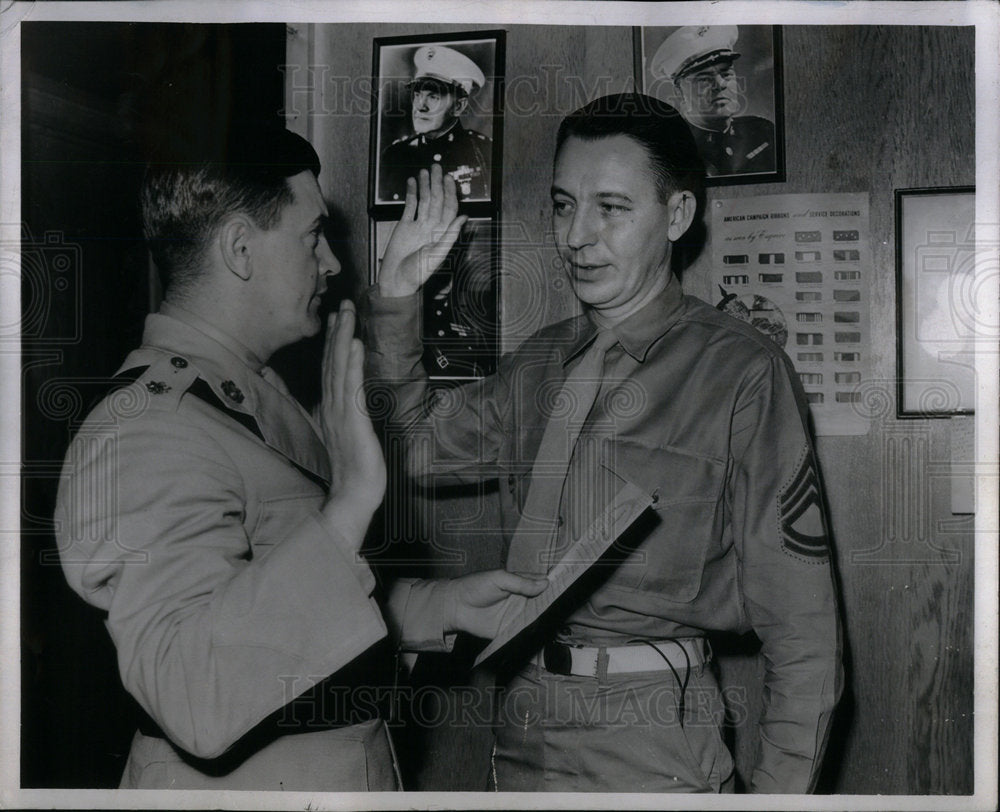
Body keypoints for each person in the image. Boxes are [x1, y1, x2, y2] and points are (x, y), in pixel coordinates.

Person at [366, 93, 842, 793]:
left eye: (611, 209)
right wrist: (398, 298)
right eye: (563, 205)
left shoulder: (741, 372)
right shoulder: (537, 363)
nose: (577, 237)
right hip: (522, 725)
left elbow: (806, 642)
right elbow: (416, 451)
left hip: (655, 742)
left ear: (677, 216)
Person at [54, 124, 543, 791]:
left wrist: (440, 606)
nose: (332, 263)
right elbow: (193, 690)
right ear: (239, 248)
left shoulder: (245, 397)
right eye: (312, 235)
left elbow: (284, 600)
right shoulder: (147, 431)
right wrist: (347, 506)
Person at [651, 26, 776, 177]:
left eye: (726, 74)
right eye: (704, 79)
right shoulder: (668, 149)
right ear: (679, 92)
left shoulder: (763, 131)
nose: (721, 84)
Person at [379, 44, 492, 203]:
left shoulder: (485, 152)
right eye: (417, 95)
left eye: (433, 97)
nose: (420, 106)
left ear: (458, 107)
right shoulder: (394, 156)